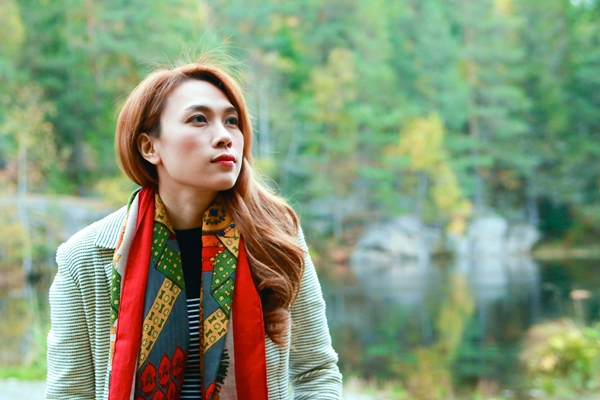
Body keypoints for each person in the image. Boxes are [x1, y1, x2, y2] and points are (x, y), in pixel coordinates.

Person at [46, 57, 343, 400]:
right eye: (199, 119)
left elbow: (316, 372)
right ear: (149, 147)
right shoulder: (84, 257)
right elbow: (69, 394)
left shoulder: (274, 235)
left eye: (232, 121)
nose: (224, 137)